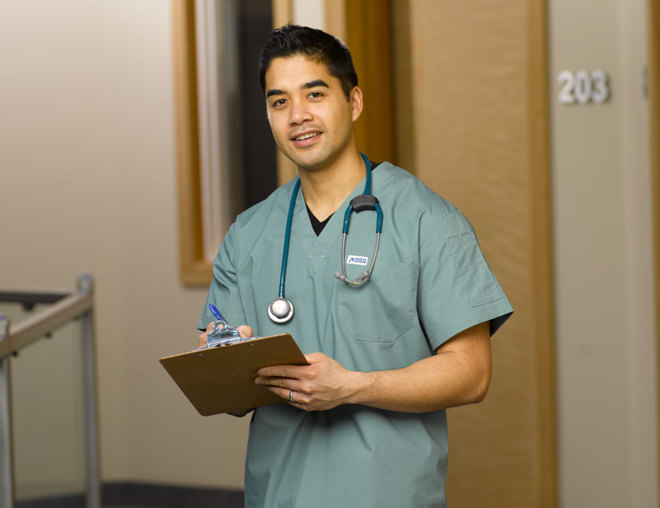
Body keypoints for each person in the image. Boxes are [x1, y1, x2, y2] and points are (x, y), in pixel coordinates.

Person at [198, 24, 513, 508]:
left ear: (354, 102)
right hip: (279, 492)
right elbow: (234, 394)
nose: (298, 116)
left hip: (387, 492)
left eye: (315, 93)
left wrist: (352, 388)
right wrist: (222, 366)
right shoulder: (248, 233)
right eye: (278, 101)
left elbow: (472, 375)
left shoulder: (427, 219)